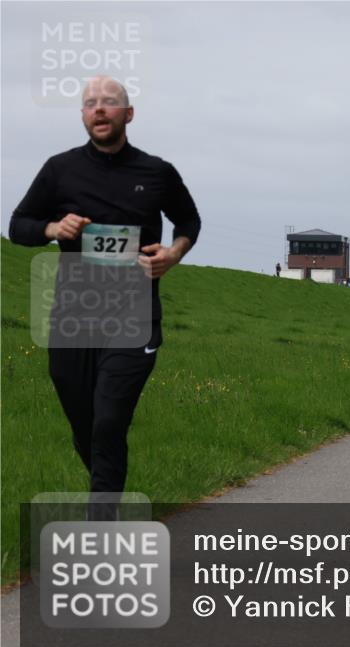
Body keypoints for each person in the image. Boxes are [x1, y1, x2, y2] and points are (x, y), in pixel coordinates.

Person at [8, 76, 201, 514]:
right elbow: (18, 225)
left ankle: (101, 521)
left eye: (109, 103)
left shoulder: (156, 172)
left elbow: (189, 220)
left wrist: (173, 253)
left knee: (110, 419)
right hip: (73, 317)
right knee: (87, 424)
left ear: (127, 114)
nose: (99, 109)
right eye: (90, 103)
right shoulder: (60, 169)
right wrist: (53, 228)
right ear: (82, 115)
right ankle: (107, 491)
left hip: (134, 315)